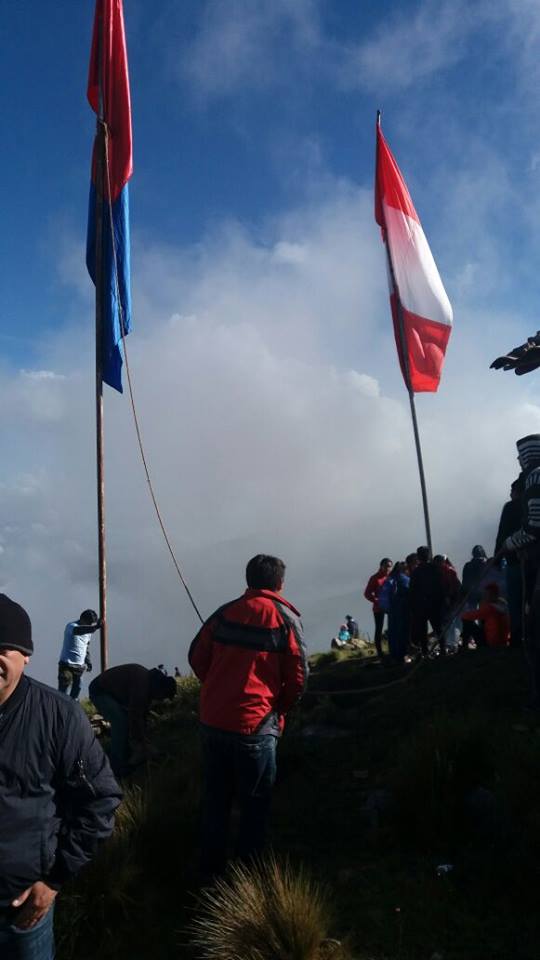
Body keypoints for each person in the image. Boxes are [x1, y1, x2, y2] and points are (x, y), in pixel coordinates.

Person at [0, 593, 121, 958]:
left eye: (2, 647)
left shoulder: (58, 717)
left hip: (19, 912)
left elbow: (100, 801)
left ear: (25, 655)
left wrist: (53, 880)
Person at [188, 554, 308, 878]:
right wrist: (278, 710)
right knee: (254, 807)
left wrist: (216, 688)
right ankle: (246, 881)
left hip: (213, 723)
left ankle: (208, 875)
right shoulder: (285, 618)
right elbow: (298, 679)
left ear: (249, 579)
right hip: (255, 728)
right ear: (279, 583)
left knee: (216, 802)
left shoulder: (224, 614)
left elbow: (196, 656)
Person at [89, 664, 177, 777]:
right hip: (99, 692)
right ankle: (116, 766)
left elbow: (142, 714)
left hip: (113, 693)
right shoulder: (142, 685)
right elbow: (135, 716)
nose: (161, 699)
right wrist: (142, 742)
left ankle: (125, 754)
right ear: (160, 690)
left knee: (125, 722)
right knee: (120, 723)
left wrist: (143, 738)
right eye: (163, 696)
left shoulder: (149, 683)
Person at [504, 435, 540, 706]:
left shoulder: (535, 478)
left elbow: (534, 527)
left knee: (535, 633)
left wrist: (510, 542)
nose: (518, 460)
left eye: (520, 455)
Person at [495, 478, 524, 647]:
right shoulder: (531, 505)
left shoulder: (510, 507)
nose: (510, 494)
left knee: (515, 602)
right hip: (532, 561)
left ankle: (516, 639)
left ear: (516, 492)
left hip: (514, 561)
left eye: (511, 491)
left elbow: (502, 533)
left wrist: (497, 560)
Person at [58, 608, 101, 700]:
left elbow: (86, 647)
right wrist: (94, 628)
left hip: (79, 667)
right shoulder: (71, 626)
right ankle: (60, 709)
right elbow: (78, 631)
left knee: (76, 691)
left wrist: (88, 661)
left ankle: (71, 710)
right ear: (82, 619)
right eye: (88, 623)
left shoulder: (88, 632)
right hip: (67, 665)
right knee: (63, 692)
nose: (89, 625)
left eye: (91, 624)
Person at [409, 546, 445, 656]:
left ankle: (425, 652)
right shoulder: (435, 569)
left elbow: (412, 590)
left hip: (421, 605)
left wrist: (413, 606)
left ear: (419, 557)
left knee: (423, 630)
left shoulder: (416, 572)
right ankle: (443, 649)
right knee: (438, 627)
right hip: (434, 603)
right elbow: (440, 586)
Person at [461, 583, 510, 648]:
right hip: (502, 641)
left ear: (491, 595)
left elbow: (466, 616)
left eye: (486, 594)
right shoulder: (504, 605)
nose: (484, 597)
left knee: (467, 622)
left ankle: (464, 646)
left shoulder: (490, 608)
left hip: (491, 642)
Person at [460, 546, 488, 651]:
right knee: (483, 617)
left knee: (469, 618)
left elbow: (464, 581)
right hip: (482, 595)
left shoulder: (468, 565)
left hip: (470, 595)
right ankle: (484, 640)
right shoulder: (485, 564)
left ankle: (466, 642)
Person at [364, 558, 393, 657]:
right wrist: (377, 601)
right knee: (379, 629)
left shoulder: (391, 577)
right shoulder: (375, 578)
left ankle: (393, 648)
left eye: (389, 566)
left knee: (393, 627)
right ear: (381, 566)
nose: (387, 568)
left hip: (390, 607)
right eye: (386, 566)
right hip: (379, 608)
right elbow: (367, 593)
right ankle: (380, 652)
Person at [386, 562, 411, 662]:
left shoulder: (389, 579)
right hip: (403, 609)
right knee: (403, 632)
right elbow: (410, 592)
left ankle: (394, 654)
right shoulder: (404, 579)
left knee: (393, 632)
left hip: (391, 610)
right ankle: (403, 655)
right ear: (404, 570)